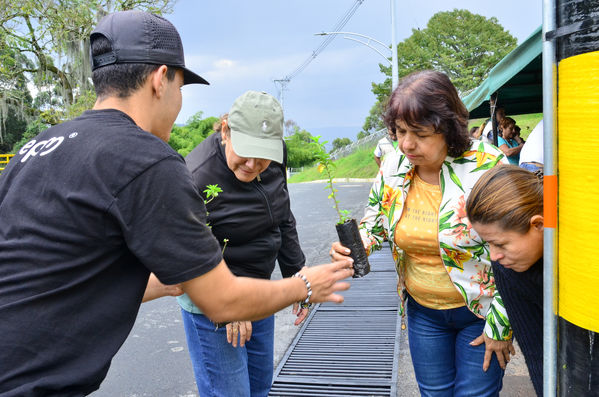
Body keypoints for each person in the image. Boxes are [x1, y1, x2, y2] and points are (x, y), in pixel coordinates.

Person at [0, 10, 353, 396]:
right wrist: (304, 283)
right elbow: (222, 302)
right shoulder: (147, 159)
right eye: (181, 86)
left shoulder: (34, 148)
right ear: (160, 80)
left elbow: (71, 275)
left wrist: (179, 277)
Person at [331, 70, 513, 396]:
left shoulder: (488, 166)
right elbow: (375, 222)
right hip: (422, 312)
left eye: (419, 133)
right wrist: (355, 245)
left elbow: (517, 251)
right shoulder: (394, 166)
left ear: (448, 127)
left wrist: (501, 324)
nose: (406, 144)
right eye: (399, 131)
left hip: (481, 313)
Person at [178, 91, 308, 397]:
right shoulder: (195, 177)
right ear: (225, 130)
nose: (253, 163)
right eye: (245, 151)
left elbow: (283, 215)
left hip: (258, 287)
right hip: (212, 296)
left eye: (263, 155)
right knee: (230, 392)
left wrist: (297, 276)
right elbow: (192, 250)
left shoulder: (274, 158)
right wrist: (229, 303)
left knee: (260, 387)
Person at [466, 164, 543, 396]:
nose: (494, 256)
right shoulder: (507, 268)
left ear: (538, 225)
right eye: (488, 244)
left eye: (500, 244)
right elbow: (537, 354)